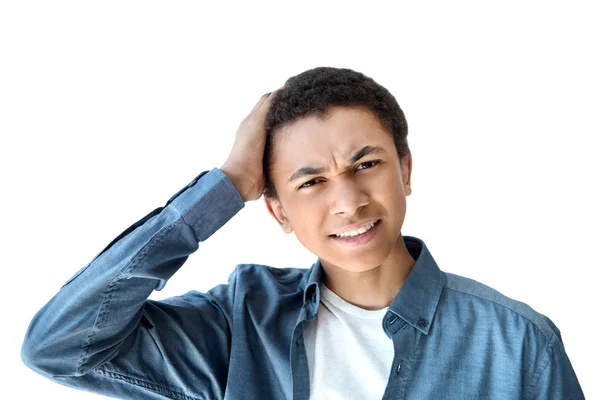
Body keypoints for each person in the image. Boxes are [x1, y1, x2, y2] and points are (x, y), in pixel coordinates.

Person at [21, 67, 585, 399]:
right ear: (278, 212)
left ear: (405, 170)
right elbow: (59, 347)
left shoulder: (519, 345)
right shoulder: (241, 326)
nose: (348, 202)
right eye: (311, 181)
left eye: (366, 166)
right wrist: (222, 188)